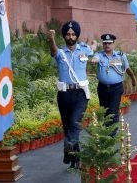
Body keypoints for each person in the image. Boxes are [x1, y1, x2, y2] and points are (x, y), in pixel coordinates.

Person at [46, 20, 93, 169]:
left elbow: (94, 51)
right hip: (64, 94)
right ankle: (73, 156)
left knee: (75, 122)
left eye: (73, 34)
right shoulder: (60, 52)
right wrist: (51, 39)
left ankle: (68, 146)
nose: (71, 36)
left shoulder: (84, 50)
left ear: (77, 36)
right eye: (68, 34)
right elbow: (53, 52)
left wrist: (95, 47)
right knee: (67, 127)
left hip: (80, 94)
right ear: (65, 36)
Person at [91, 34, 136, 134]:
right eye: (105, 43)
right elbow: (95, 58)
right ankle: (106, 131)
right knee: (104, 110)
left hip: (116, 88)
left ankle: (112, 134)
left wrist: (133, 79)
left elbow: (127, 68)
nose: (107, 45)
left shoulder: (121, 56)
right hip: (102, 88)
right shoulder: (99, 55)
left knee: (113, 110)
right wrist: (94, 60)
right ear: (103, 44)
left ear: (113, 44)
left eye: (109, 43)